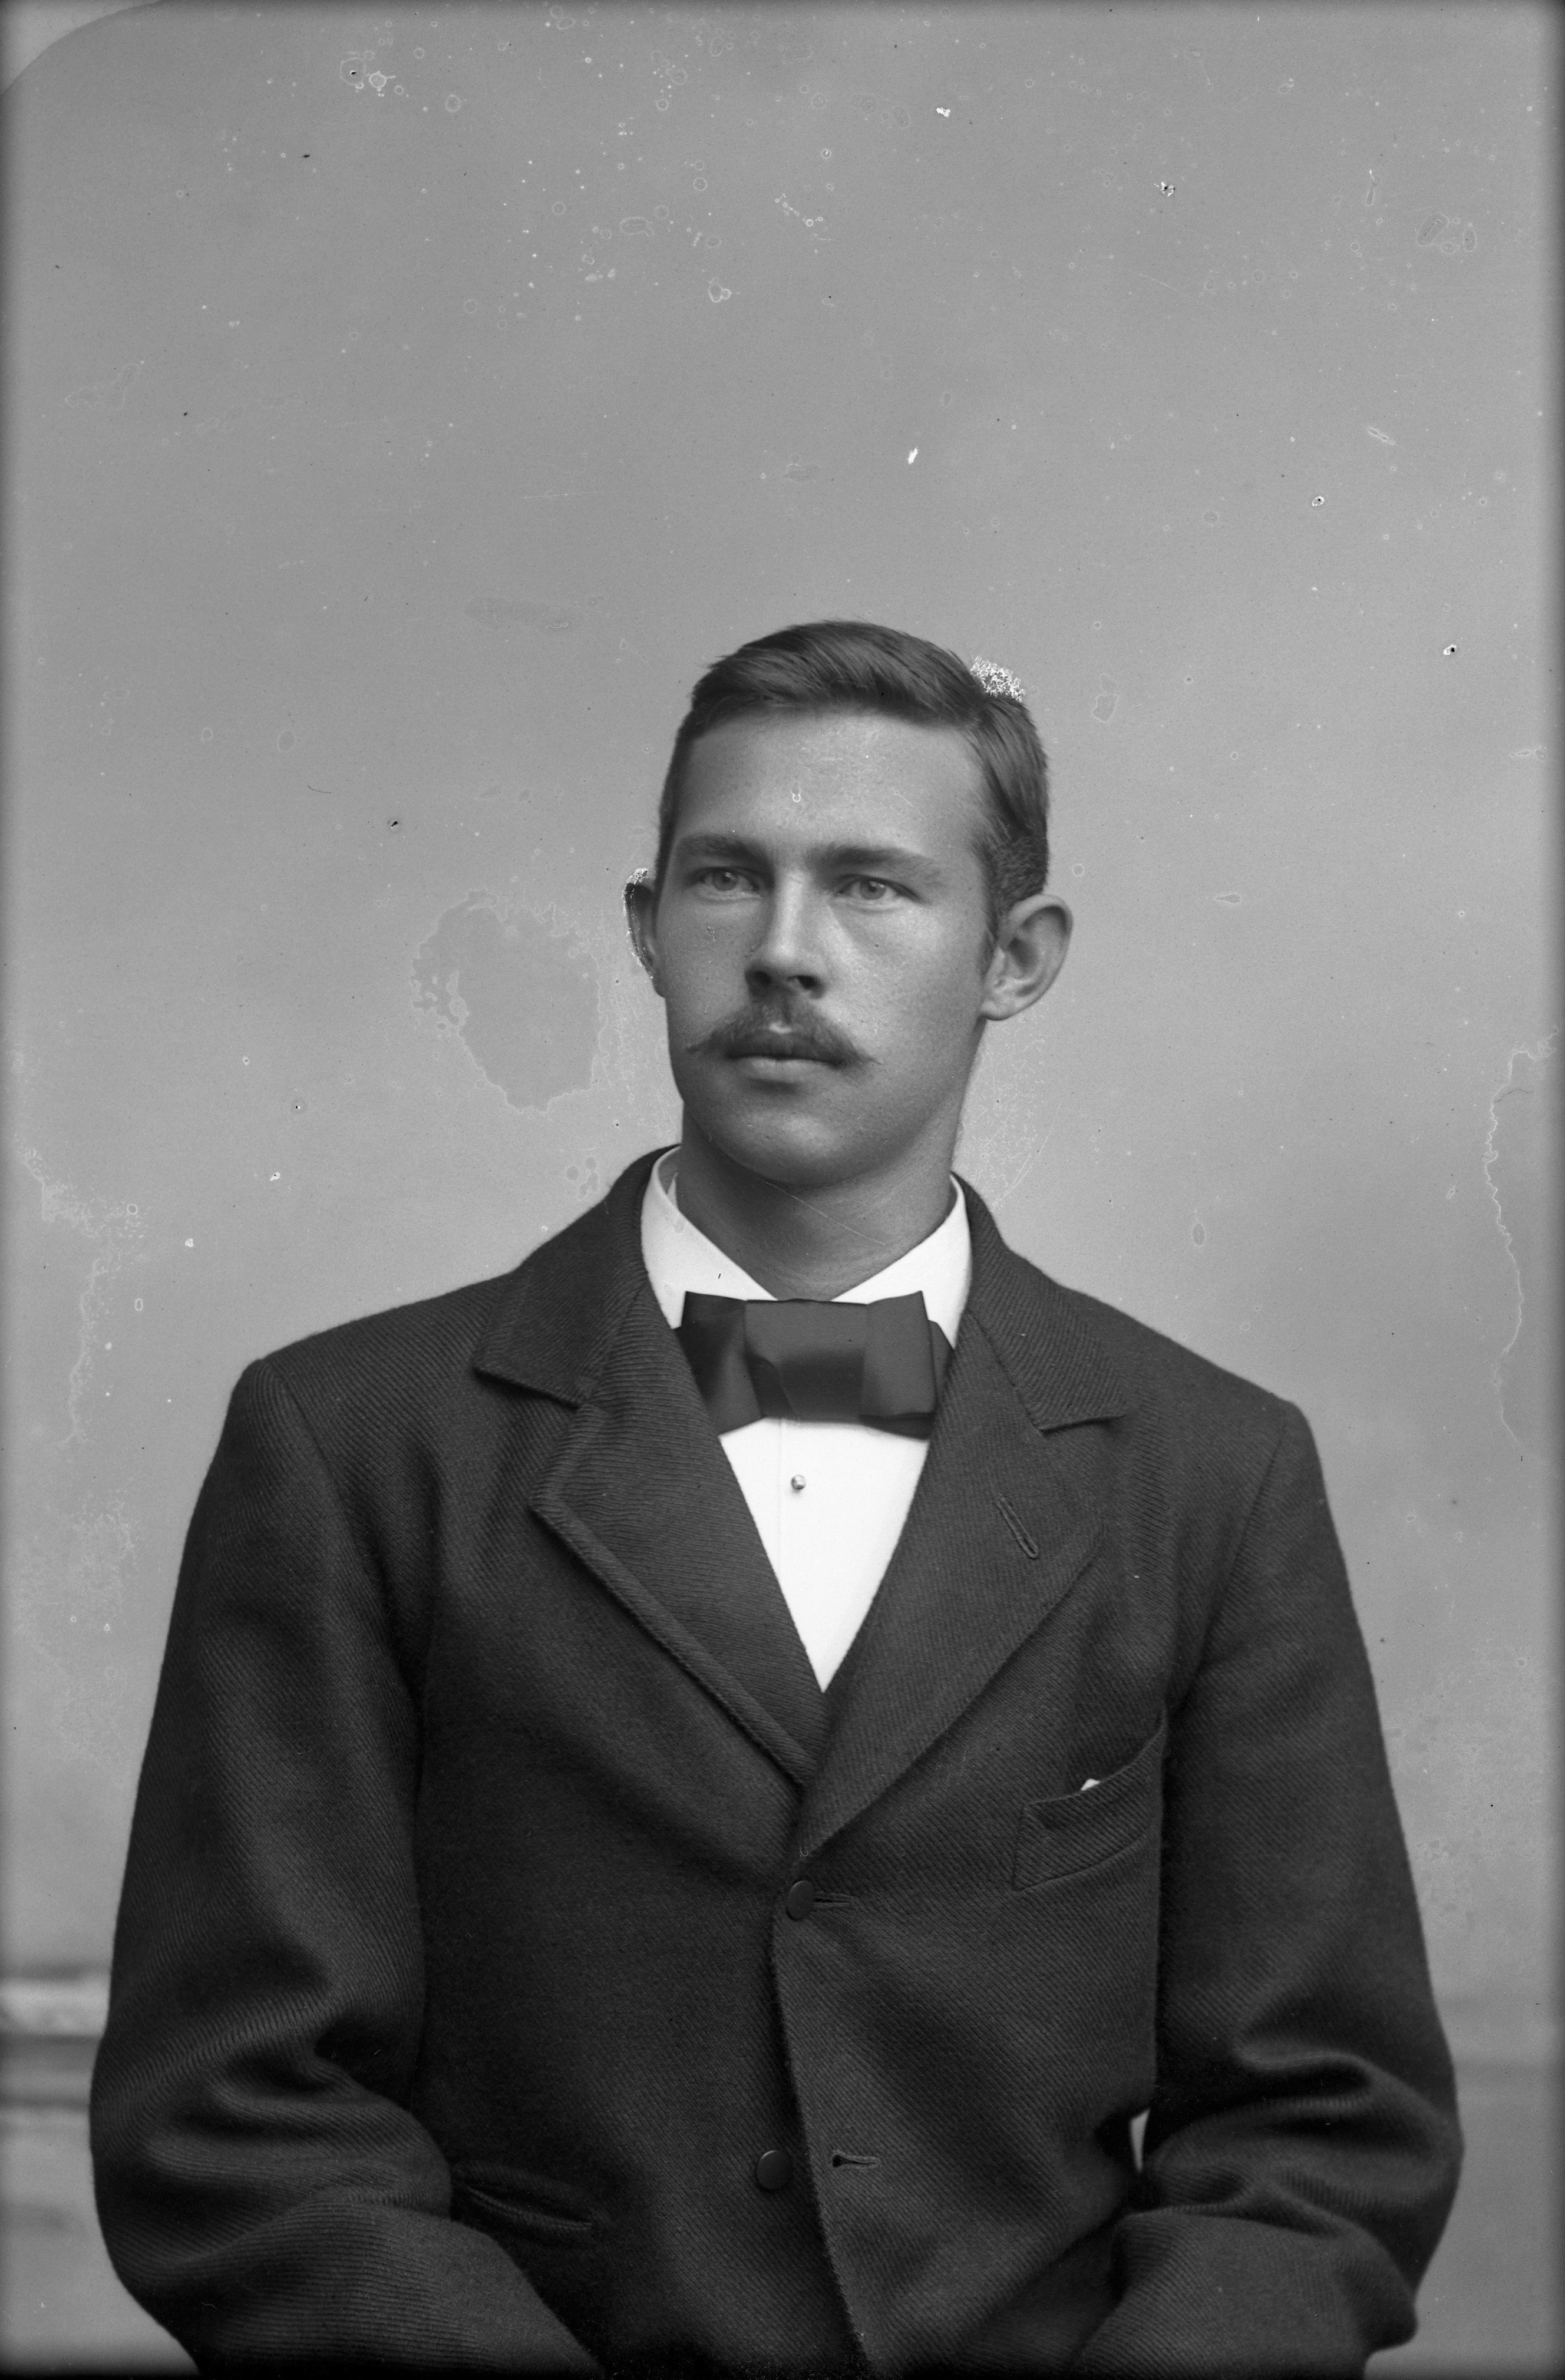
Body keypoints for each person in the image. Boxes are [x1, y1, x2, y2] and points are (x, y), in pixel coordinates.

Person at [91, 621, 1460, 2376]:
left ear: (1016, 958)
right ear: (648, 928)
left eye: (873, 887)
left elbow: (1323, 2133)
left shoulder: (1212, 1470)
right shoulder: (353, 1442)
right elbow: (235, 2115)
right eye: (728, 877)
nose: (785, 951)